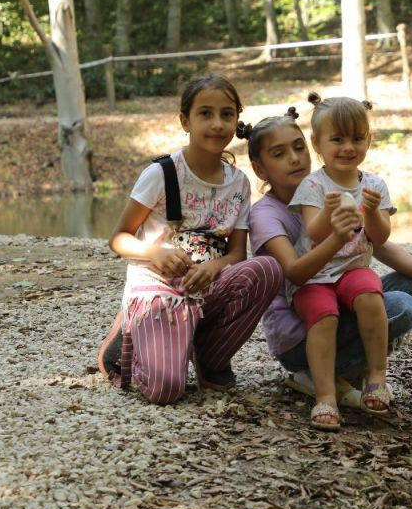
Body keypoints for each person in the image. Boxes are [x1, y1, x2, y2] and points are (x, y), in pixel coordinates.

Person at [239, 107, 412, 430]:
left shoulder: (338, 186)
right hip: (301, 330)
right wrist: (336, 233)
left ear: (310, 146)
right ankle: (317, 380)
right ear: (260, 169)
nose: (295, 158)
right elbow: (297, 273)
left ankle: (363, 375)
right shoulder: (267, 214)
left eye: (298, 147)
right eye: (279, 153)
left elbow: (377, 242)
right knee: (400, 307)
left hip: (342, 290)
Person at [95, 74, 283, 405]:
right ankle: (127, 337)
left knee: (267, 268)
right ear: (185, 120)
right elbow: (119, 238)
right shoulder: (163, 174)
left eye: (227, 114)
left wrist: (215, 266)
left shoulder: (238, 184)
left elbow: (238, 254)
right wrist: (153, 252)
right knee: (166, 391)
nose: (217, 124)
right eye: (205, 114)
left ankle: (210, 358)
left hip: (207, 287)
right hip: (162, 290)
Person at [290, 93, 395, 426]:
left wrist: (373, 211)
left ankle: (376, 376)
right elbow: (314, 232)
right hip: (315, 275)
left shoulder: (375, 185)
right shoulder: (313, 185)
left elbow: (380, 238)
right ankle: (324, 396)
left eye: (357, 138)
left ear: (369, 140)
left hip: (353, 269)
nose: (348, 147)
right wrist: (331, 214)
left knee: (370, 291)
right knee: (323, 316)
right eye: (337, 139)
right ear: (317, 143)